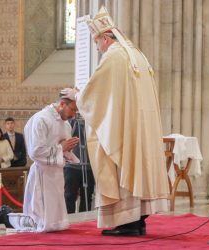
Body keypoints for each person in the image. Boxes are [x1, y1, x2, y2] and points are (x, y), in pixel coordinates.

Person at [61, 6, 169, 236]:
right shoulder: (135, 53)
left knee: (119, 160)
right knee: (136, 165)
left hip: (125, 128)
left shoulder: (114, 56)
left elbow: (95, 94)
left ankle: (126, 222)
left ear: (106, 38)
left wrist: (76, 95)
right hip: (138, 127)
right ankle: (137, 221)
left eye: (96, 42)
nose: (97, 48)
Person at [0, 94, 80, 232]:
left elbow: (61, 150)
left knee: (57, 224)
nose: (74, 114)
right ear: (62, 104)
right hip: (42, 175)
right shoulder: (41, 119)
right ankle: (6, 216)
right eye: (73, 109)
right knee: (39, 224)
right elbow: (35, 152)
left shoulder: (65, 124)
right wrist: (61, 148)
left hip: (57, 175)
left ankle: (7, 216)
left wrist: (66, 150)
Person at [63, 118, 95, 213]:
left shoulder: (92, 118)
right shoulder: (70, 120)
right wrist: (75, 120)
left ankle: (85, 221)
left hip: (89, 166)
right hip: (72, 166)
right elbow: (66, 136)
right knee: (69, 196)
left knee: (87, 196)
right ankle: (70, 220)